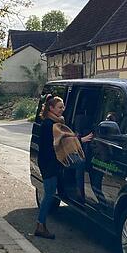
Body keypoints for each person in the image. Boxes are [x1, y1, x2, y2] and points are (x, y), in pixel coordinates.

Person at [35, 94, 93, 239]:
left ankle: (41, 224)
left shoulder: (54, 122)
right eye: (60, 107)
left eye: (63, 107)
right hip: (49, 164)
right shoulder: (50, 125)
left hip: (53, 163)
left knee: (53, 191)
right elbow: (62, 141)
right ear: (51, 108)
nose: (63, 109)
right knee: (48, 194)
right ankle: (40, 226)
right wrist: (80, 139)